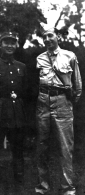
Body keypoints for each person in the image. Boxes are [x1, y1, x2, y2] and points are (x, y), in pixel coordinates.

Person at [35, 27, 82, 195]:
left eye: (50, 35)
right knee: (42, 145)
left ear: (58, 37)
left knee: (65, 146)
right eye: (44, 37)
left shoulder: (70, 56)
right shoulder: (39, 58)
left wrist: (68, 102)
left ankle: (68, 188)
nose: (47, 39)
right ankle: (43, 186)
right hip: (43, 101)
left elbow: (77, 84)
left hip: (63, 101)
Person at [0, 32, 28, 184]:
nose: (9, 46)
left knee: (18, 147)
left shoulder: (21, 67)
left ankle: (19, 181)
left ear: (17, 45)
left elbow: (26, 91)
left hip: (17, 112)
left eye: (12, 43)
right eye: (6, 42)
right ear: (1, 44)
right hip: (1, 109)